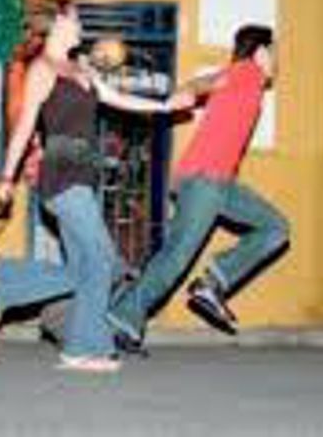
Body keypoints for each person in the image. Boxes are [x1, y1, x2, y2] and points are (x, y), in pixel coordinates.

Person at [0, 0, 192, 373]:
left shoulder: (81, 69)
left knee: (88, 268)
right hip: (61, 174)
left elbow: (119, 99)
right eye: (75, 20)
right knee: (103, 258)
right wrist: (6, 178)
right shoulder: (42, 69)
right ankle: (11, 294)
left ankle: (72, 345)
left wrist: (166, 106)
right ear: (58, 24)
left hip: (83, 176)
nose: (81, 27)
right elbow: (24, 128)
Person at [107, 24, 290, 346]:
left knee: (275, 228)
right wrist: (188, 90)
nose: (278, 60)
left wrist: (189, 88)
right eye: (274, 52)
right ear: (261, 52)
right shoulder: (247, 73)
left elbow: (210, 82)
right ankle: (125, 315)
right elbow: (211, 81)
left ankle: (213, 283)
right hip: (205, 180)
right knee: (176, 256)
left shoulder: (249, 82)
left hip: (221, 183)